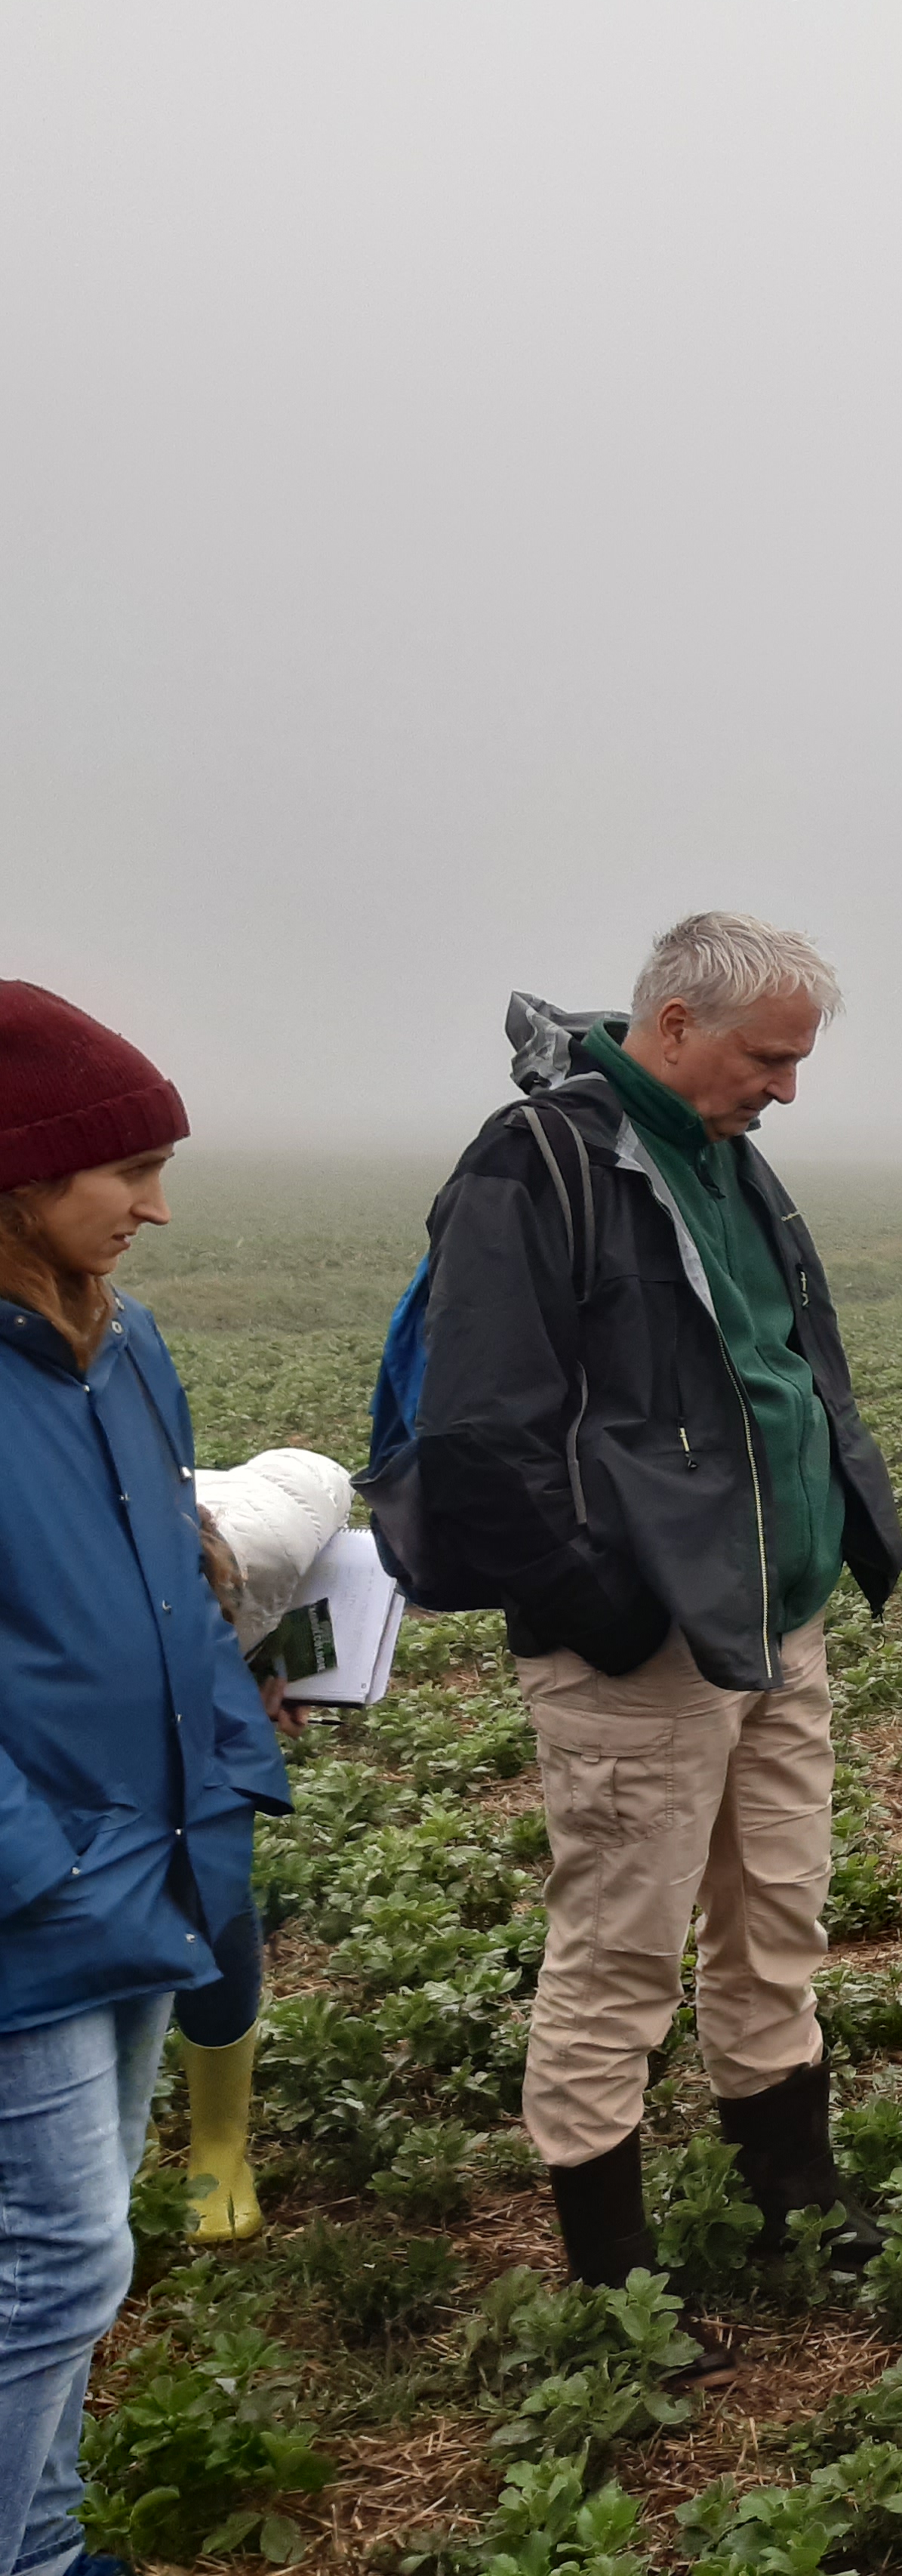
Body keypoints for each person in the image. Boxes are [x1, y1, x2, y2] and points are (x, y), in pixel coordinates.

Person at [402, 915, 902, 2321]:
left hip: (773, 1621)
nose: (786, 1091)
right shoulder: (540, 1165)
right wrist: (602, 1606)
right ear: (672, 1025)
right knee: (620, 1948)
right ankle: (615, 2278)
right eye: (768, 1058)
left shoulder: (727, 1162)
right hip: (647, 1642)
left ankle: (792, 2194)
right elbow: (482, 1433)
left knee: (778, 1919)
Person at [1, 982, 292, 2576]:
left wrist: (232, 1732)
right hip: (37, 1888)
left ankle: (46, 2545)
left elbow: (172, 1578)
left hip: (149, 1854)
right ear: (20, 1174)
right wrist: (28, 1863)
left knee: (84, 2242)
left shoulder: (124, 1347)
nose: (155, 1205)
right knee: (47, 2264)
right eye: (123, 1169)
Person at [179, 1447, 356, 2244]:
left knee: (205, 1879)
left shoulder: (271, 1534)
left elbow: (318, 1472)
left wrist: (276, 1659)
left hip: (214, 1641)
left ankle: (220, 2136)